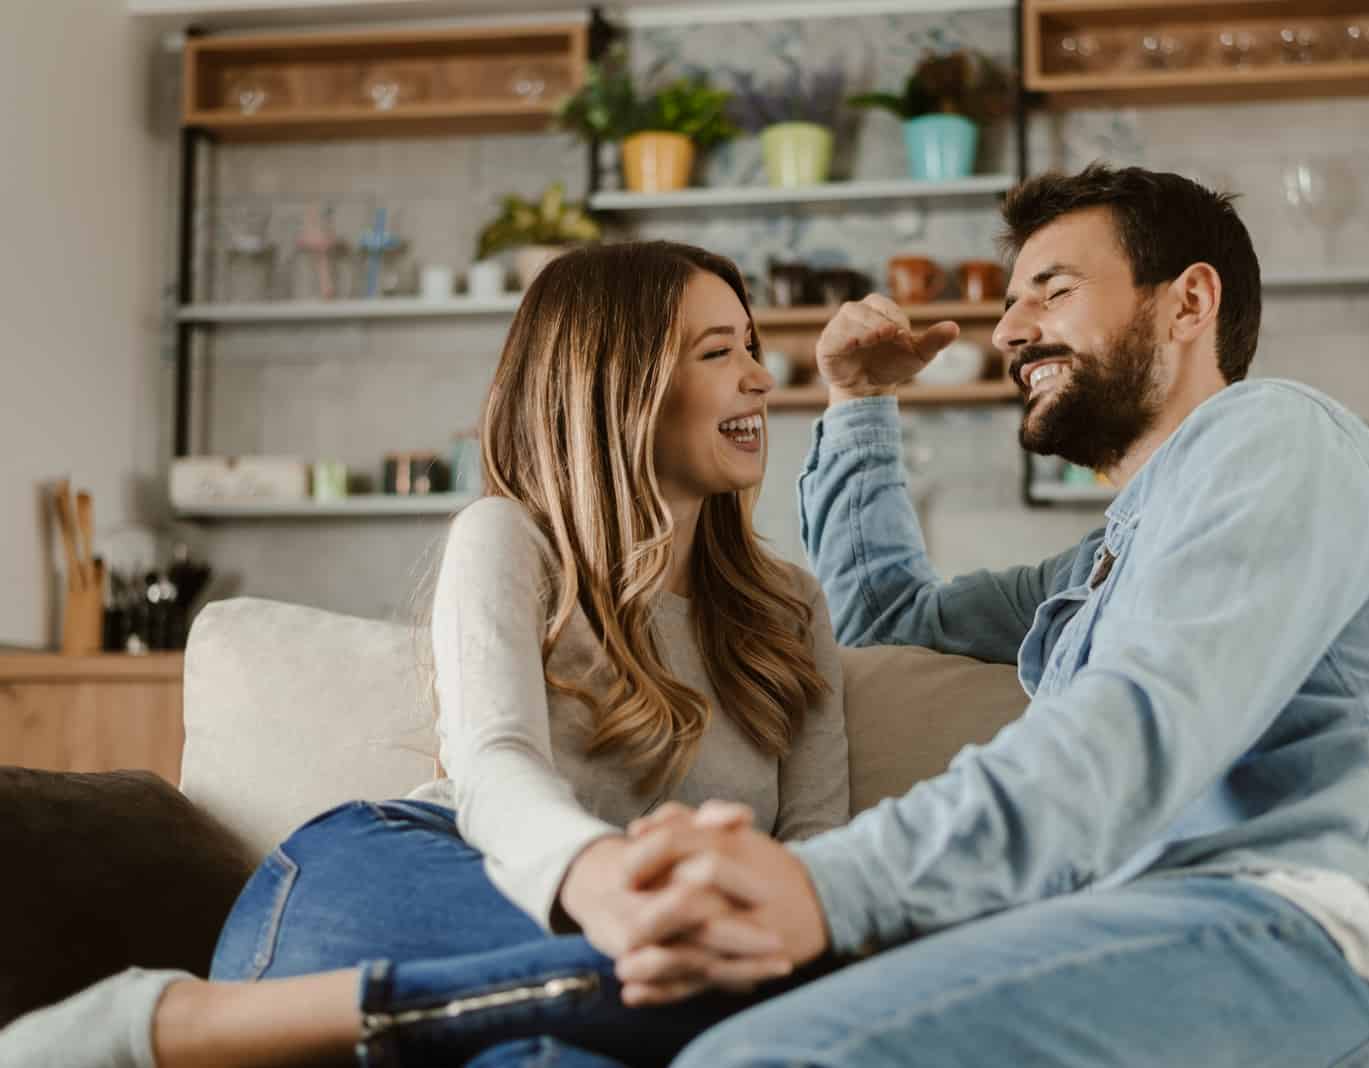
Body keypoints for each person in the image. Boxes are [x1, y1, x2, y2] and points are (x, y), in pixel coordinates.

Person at [602, 164, 1369, 1068]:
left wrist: (828, 886)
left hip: (1350, 953)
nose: (1011, 329)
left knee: (771, 1054)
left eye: (1052, 291)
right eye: (1011, 301)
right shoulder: (1107, 558)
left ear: (1189, 303)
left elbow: (1135, 727)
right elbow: (884, 619)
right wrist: (860, 399)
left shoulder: (1278, 437)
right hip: (1169, 941)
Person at [0, 240, 849, 1068]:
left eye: (751, 347)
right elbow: (494, 763)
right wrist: (596, 877)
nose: (760, 378)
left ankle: (155, 1032)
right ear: (616, 387)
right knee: (715, 976)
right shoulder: (511, 539)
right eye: (716, 352)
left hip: (609, 948)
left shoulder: (790, 609)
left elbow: (823, 849)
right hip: (402, 877)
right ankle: (174, 1027)